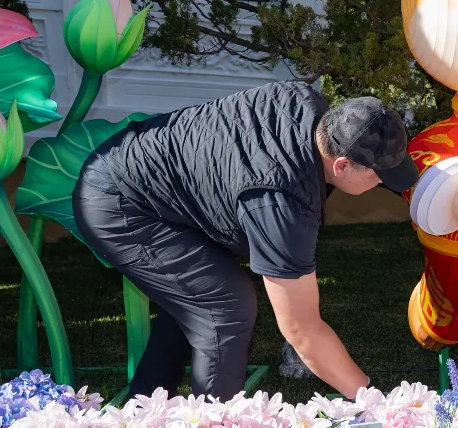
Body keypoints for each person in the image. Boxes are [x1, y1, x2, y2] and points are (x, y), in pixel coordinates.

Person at [72, 82, 419, 400]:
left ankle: (143, 408)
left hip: (160, 185)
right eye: (377, 176)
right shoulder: (281, 198)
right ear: (341, 165)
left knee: (199, 296)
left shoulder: (309, 104)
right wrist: (374, 402)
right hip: (120, 202)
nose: (382, 184)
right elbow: (302, 329)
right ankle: (214, 419)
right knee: (224, 307)